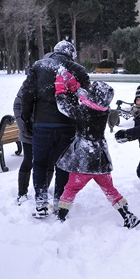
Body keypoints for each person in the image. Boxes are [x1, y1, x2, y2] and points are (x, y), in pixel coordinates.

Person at [54, 73, 140, 229]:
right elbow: (89, 98)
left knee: (71, 188)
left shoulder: (83, 112)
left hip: (84, 160)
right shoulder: (104, 110)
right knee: (109, 188)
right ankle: (127, 215)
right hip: (101, 159)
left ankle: (61, 217)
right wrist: (76, 88)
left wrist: (60, 89)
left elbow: (63, 107)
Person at [20, 40, 90, 218]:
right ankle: (60, 202)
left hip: (42, 124)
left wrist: (26, 118)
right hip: (66, 125)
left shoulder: (39, 66)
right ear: (71, 54)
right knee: (63, 165)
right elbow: (87, 100)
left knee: (40, 163)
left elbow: (27, 94)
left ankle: (41, 203)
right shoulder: (79, 71)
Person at [13, 85, 53, 205]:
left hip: (48, 131)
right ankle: (22, 193)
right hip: (29, 132)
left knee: (50, 161)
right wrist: (24, 126)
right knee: (28, 160)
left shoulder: (51, 83)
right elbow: (17, 105)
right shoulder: (29, 84)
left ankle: (44, 190)